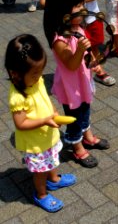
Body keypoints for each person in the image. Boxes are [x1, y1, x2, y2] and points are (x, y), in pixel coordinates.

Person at [5, 34, 77, 213]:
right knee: (40, 171)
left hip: (48, 135)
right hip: (36, 143)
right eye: (35, 74)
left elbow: (44, 97)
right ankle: (41, 194)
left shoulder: (36, 81)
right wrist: (44, 120)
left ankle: (53, 180)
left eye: (40, 72)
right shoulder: (17, 97)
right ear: (15, 74)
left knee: (53, 159)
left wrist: (53, 111)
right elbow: (21, 123)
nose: (39, 77)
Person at [43, 0, 110, 168]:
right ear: (63, 11)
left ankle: (88, 137)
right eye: (78, 5)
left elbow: (85, 57)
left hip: (83, 81)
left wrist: (94, 64)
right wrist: (80, 51)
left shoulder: (78, 28)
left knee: (85, 112)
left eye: (83, 4)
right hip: (71, 86)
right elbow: (71, 65)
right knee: (74, 119)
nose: (83, 9)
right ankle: (78, 147)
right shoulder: (60, 40)